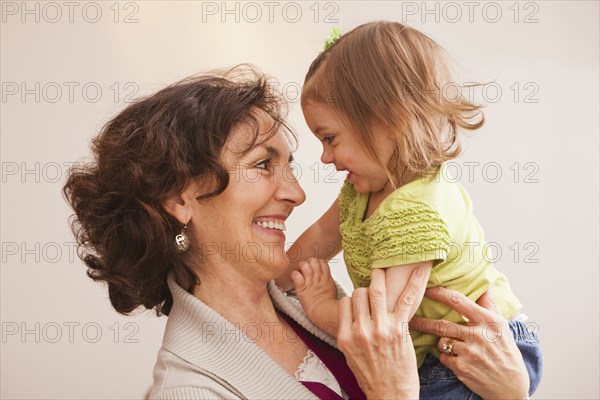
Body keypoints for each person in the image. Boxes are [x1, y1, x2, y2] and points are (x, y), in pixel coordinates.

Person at [63, 65, 533, 399]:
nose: (297, 194)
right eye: (263, 164)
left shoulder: (306, 304)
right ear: (178, 200)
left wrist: (510, 391)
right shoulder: (190, 389)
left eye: (291, 165)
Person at [275, 21, 542, 399]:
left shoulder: (415, 210)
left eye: (330, 138)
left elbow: (382, 322)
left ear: (388, 120)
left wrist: (320, 306)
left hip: (478, 352)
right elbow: (323, 234)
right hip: (439, 351)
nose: (325, 157)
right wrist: (272, 277)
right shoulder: (365, 188)